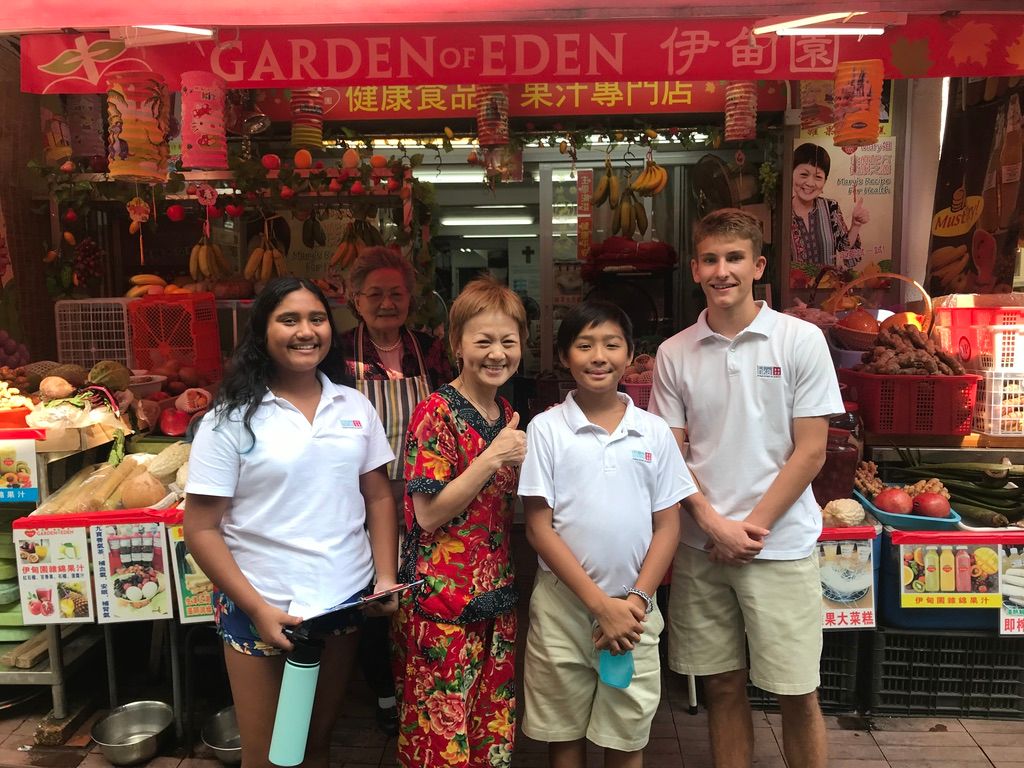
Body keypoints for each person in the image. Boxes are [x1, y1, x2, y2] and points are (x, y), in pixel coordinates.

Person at [649, 209, 843, 768]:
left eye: (734, 258)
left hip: (778, 548)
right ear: (694, 269)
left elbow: (810, 452)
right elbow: (671, 453)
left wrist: (747, 530)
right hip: (701, 548)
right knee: (722, 689)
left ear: (757, 265)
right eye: (710, 259)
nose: (722, 270)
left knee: (797, 691)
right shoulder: (674, 353)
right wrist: (712, 524)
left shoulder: (800, 340)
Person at [184, 277, 399, 768]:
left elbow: (378, 497)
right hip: (259, 600)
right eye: (289, 320)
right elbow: (200, 528)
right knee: (268, 756)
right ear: (261, 333)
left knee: (316, 743)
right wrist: (257, 609)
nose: (306, 331)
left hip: (338, 600)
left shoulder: (355, 406)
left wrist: (383, 576)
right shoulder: (229, 420)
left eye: (317, 319)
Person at [519, 300, 694, 768]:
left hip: (636, 609)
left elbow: (668, 524)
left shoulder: (654, 432)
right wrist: (600, 607)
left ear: (630, 354)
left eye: (611, 344)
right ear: (563, 356)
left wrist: (634, 602)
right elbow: (538, 527)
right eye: (584, 345)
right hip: (562, 606)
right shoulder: (546, 430)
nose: (599, 356)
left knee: (626, 737)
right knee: (565, 734)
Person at [391, 275, 527, 768]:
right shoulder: (435, 413)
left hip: (494, 595)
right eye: (483, 341)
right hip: (440, 603)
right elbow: (427, 515)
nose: (497, 353)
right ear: (457, 346)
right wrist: (492, 459)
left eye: (508, 342)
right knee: (440, 742)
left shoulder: (504, 411)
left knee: (488, 734)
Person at [339, 246, 452, 734]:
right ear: (355, 300)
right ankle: (385, 690)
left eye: (397, 294)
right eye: (376, 294)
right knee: (372, 595)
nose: (387, 303)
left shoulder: (432, 350)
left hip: (427, 493)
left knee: (421, 591)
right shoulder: (337, 353)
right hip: (360, 495)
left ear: (410, 299)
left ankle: (420, 684)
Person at [790, 142, 870, 267]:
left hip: (828, 284)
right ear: (791, 174)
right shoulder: (781, 212)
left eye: (818, 177)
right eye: (804, 175)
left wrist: (855, 225)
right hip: (791, 285)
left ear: (825, 181)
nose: (810, 183)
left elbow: (847, 253)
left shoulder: (831, 207)